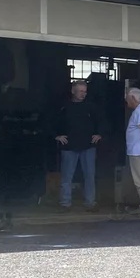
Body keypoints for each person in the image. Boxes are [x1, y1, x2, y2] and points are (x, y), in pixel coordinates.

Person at [53, 79, 107, 210]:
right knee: (67, 176)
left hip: (88, 146)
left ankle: (90, 203)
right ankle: (65, 203)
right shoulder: (64, 107)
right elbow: (51, 121)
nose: (83, 94)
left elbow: (102, 121)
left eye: (85, 92)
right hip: (69, 146)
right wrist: (56, 136)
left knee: (89, 176)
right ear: (73, 91)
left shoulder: (91, 107)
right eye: (81, 91)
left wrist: (99, 134)